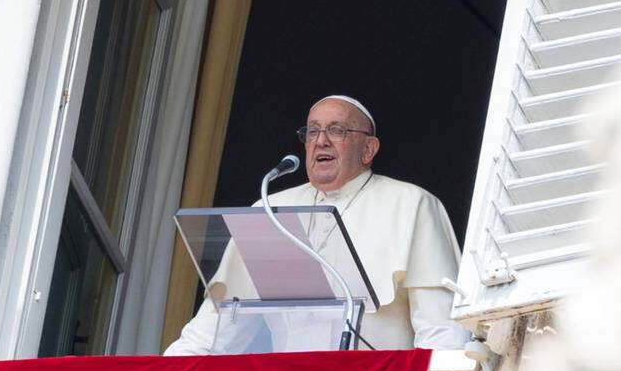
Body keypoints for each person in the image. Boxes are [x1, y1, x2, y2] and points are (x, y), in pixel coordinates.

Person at [164, 95, 471, 355]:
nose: (320, 141)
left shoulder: (411, 204)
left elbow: (441, 330)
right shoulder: (270, 210)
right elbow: (217, 330)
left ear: (368, 149)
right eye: (312, 132)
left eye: (337, 130)